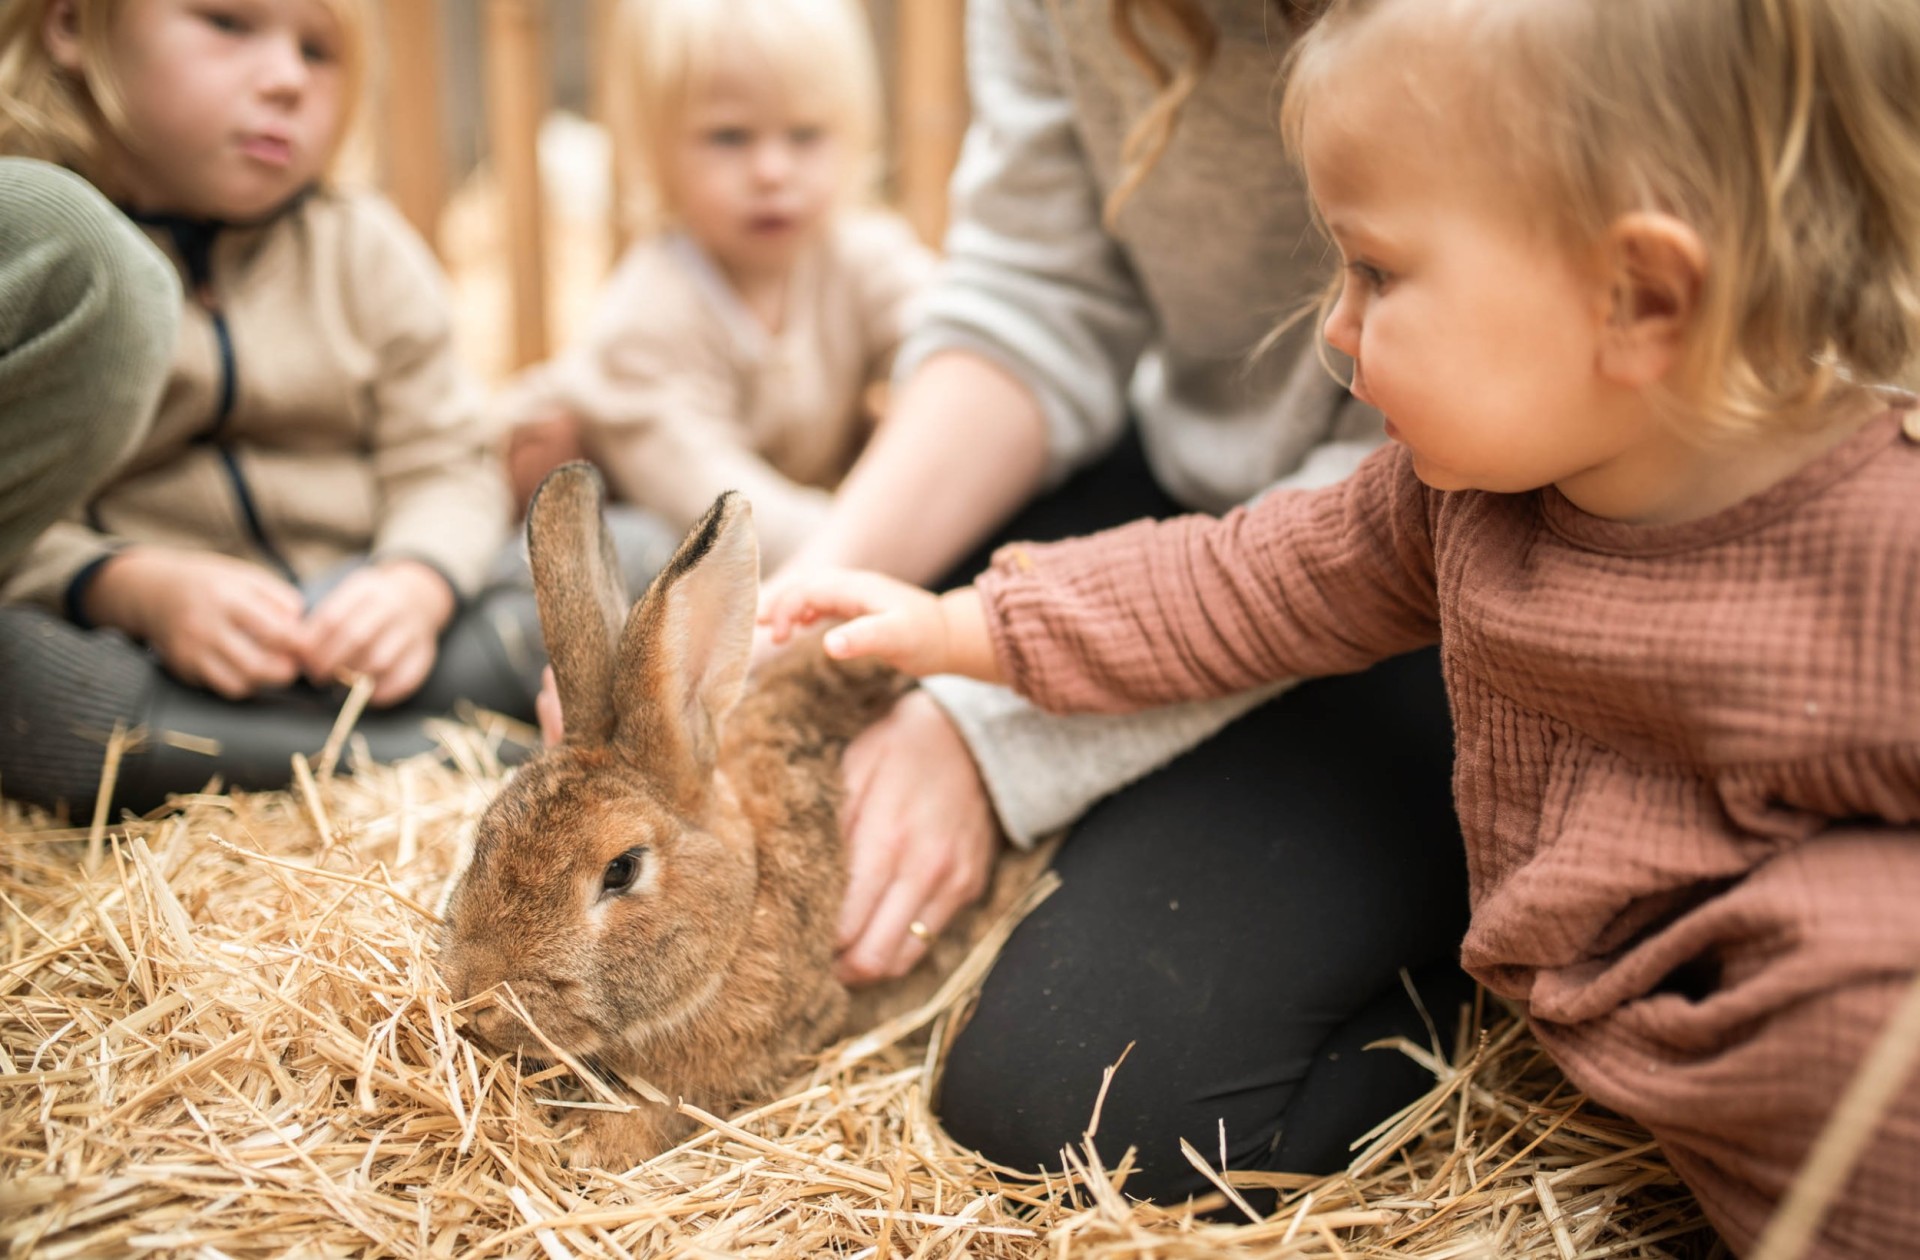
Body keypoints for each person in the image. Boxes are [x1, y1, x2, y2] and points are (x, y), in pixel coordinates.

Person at [764, 0, 1920, 1251]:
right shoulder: (1454, 501)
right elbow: (1230, 583)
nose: (1332, 328)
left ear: (1638, 295)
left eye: (1374, 272)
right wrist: (962, 632)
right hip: (1613, 1006)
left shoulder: (1876, 545)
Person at [749, 0, 1474, 1205]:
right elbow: (1036, 295)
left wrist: (988, 725)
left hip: (1430, 536)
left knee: (1080, 1107)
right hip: (1193, 481)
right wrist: (801, 608)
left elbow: (1378, 525)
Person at [0, 0, 542, 818]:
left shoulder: (365, 248)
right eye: (228, 22)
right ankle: (402, 757)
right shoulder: (43, 261)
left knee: (616, 550)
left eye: (318, 51)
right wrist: (133, 587)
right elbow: (19, 509)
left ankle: (314, 747)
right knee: (22, 668)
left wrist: (414, 583)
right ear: (74, 24)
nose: (288, 79)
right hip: (158, 659)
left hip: (375, 641)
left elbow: (449, 461)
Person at [492, 0, 935, 573]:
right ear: (658, 152)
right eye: (729, 137)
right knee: (638, 553)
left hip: (794, 532)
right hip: (637, 523)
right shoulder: (649, 316)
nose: (772, 170)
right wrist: (888, 549)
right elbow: (726, 514)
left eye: (805, 135)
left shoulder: (859, 256)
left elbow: (955, 343)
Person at [0, 158, 179, 579]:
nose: (288, 87)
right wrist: (99, 575)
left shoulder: (355, 243)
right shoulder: (61, 255)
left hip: (337, 582)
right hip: (102, 586)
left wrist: (371, 575)